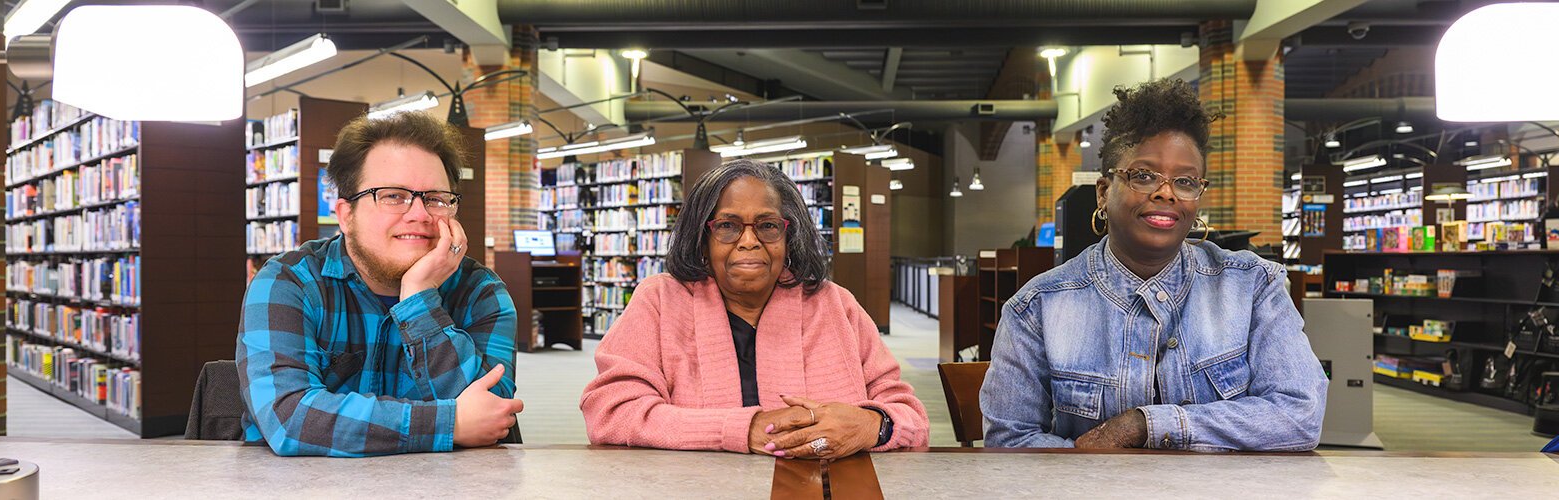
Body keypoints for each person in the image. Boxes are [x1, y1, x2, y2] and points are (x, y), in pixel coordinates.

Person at [979, 79, 1328, 451]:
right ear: (1103, 192)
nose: (1166, 192)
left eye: (1185, 180)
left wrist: (1146, 425)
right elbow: (1010, 443)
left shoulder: (1253, 286)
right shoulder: (1037, 307)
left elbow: (1300, 413)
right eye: (1143, 176)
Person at [581, 159, 928, 459]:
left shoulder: (836, 305)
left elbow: (910, 416)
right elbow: (610, 412)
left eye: (767, 226)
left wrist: (872, 425)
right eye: (728, 226)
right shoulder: (659, 301)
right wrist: (743, 429)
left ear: (788, 236)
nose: (749, 241)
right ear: (702, 237)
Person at [236, 111, 523, 457]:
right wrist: (448, 424)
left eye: (435, 198)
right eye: (393, 196)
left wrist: (419, 299)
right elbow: (290, 417)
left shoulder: (482, 293)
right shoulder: (288, 283)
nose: (419, 214)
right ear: (345, 215)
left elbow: (492, 414)